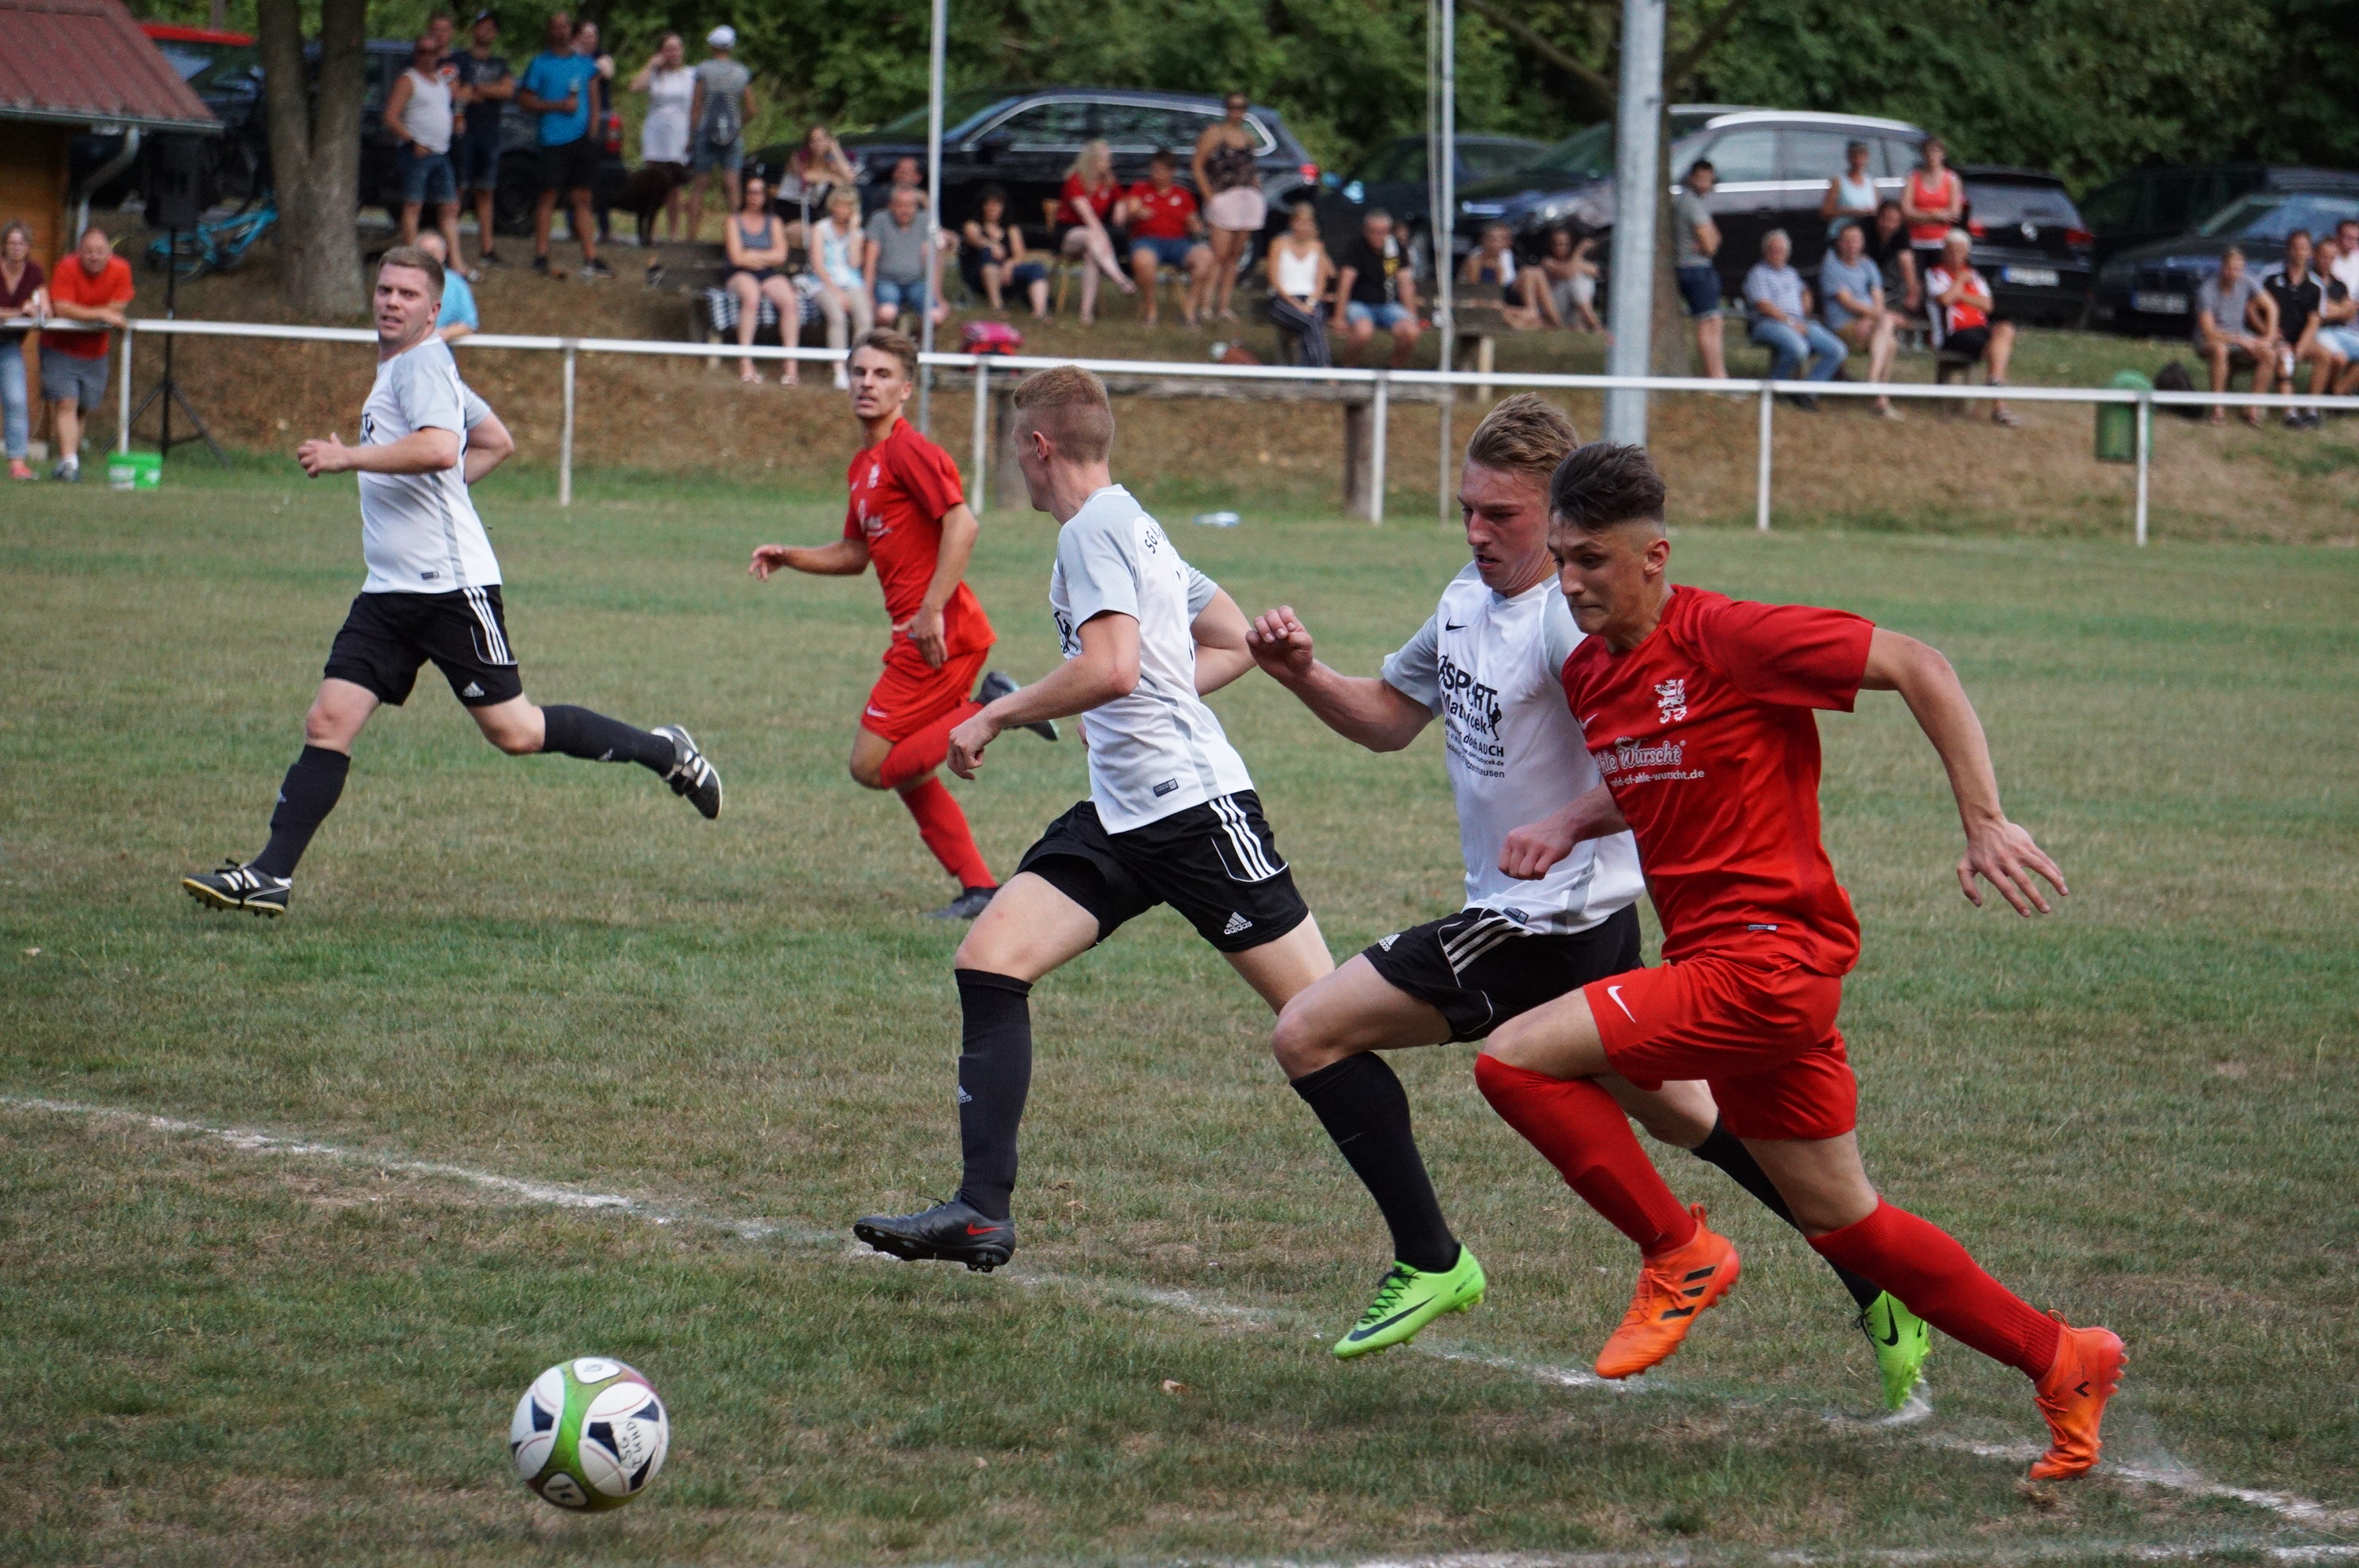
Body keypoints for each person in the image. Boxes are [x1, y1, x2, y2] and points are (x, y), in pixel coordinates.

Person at [1243, 396, 1934, 1408]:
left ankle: (1444, 1257)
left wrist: (1568, 821)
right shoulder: (1463, 602)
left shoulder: (1579, 634)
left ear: (1563, 517)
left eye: (1504, 517)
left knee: (1309, 1031)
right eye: (1469, 511)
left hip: (1545, 921)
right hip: (1554, 919)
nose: (1480, 532)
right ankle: (1876, 1279)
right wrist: (1304, 675)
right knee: (1701, 1124)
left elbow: (1666, 754)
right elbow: (1391, 721)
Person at [1474, 439, 2123, 1480]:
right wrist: (1571, 820)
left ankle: (1680, 1252)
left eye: (1592, 559)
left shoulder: (1730, 637)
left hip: (1764, 964)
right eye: (1561, 557)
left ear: (1655, 557)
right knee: (1847, 1227)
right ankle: (2065, 1359)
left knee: (1514, 1058)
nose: (1571, 581)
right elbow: (1661, 770)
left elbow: (1920, 664)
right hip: (1737, 976)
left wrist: (1986, 821)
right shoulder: (1594, 674)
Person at [849, 365, 1330, 1271]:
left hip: (1190, 811)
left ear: (1037, 446)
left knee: (1325, 1018)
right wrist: (1153, 691)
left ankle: (1429, 1242)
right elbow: (1224, 642)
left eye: (1014, 448)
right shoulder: (1133, 521)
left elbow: (1109, 668)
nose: (1014, 466)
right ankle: (979, 1210)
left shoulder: (1092, 531)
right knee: (990, 958)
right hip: (1120, 810)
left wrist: (995, 710)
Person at [180, 246, 720, 918]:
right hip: (389, 590)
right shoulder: (411, 370)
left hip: (449, 589)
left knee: (516, 732)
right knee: (328, 721)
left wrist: (350, 457)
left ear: (434, 310)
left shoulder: (424, 365)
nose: (391, 302)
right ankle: (271, 876)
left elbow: (441, 447)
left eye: (408, 294)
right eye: (384, 289)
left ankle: (664, 749)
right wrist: (444, 496)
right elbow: (494, 441)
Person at [747, 330, 1051, 919]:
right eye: (859, 372)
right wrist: (792, 556)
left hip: (938, 637)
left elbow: (963, 526)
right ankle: (979, 888)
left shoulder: (911, 451)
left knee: (869, 765)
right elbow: (856, 553)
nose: (867, 383)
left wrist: (931, 608)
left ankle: (994, 707)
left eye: (883, 374)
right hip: (926, 634)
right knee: (908, 768)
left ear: (906, 389)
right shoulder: (865, 464)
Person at [516, 10, 608, 278]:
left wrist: (592, 133)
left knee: (583, 197)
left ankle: (590, 256)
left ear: (571, 30)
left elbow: (594, 99)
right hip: (553, 138)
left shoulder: (585, 64)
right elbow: (525, 100)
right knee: (548, 195)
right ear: (550, 31)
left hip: (582, 140)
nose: (561, 31)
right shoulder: (540, 64)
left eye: (565, 26)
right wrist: (556, 105)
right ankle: (541, 254)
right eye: (556, 27)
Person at [39, 226, 133, 484]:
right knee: (66, 403)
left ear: (108, 252)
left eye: (100, 251)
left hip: (95, 351)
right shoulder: (66, 268)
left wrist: (97, 313)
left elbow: (118, 306)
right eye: (89, 251)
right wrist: (100, 314)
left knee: (81, 409)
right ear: (79, 252)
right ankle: (70, 462)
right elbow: (63, 308)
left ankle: (67, 462)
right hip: (60, 347)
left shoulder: (121, 269)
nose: (94, 256)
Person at [1925, 229, 2021, 426]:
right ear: (1945, 252)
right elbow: (1944, 299)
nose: (1956, 256)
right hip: (1955, 333)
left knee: (2006, 329)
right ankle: (1999, 405)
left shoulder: (1975, 276)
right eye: (1952, 251)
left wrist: (1960, 294)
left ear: (1967, 253)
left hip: (1979, 329)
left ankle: (1994, 385)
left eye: (1960, 252)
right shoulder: (1935, 274)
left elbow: (1988, 305)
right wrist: (1960, 282)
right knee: (1998, 349)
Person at [385, 34, 464, 265]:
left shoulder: (440, 81)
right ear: (416, 54)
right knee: (413, 204)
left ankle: (456, 261)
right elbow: (390, 117)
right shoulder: (408, 80)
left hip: (441, 151)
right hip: (418, 153)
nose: (429, 57)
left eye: (434, 52)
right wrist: (412, 142)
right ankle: (411, 259)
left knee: (449, 206)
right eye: (423, 52)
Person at [1743, 229, 1845, 404]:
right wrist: (1791, 323)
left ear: (1787, 254)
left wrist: (1806, 296)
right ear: (1765, 252)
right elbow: (1763, 305)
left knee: (1837, 350)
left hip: (1798, 322)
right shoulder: (1758, 274)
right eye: (1773, 251)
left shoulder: (1790, 273)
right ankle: (1774, 388)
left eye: (1781, 251)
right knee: (1799, 348)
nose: (1777, 255)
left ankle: (1806, 391)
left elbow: (1803, 289)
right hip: (1767, 323)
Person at [449, 10, 513, 272]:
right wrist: (487, 92)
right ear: (473, 30)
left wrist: (477, 89)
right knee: (459, 189)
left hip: (490, 133)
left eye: (490, 28)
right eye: (481, 26)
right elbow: (457, 93)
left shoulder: (500, 63)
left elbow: (508, 90)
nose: (485, 31)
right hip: (465, 132)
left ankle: (487, 248)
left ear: (495, 33)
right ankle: (448, 247)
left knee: (486, 190)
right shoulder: (458, 59)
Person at [1192, 92, 1263, 323]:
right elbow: (1198, 165)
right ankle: (1205, 304)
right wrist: (1210, 197)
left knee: (1235, 255)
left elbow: (1250, 168)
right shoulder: (1215, 134)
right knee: (1219, 254)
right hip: (1223, 196)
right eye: (1233, 107)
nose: (1237, 111)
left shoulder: (1248, 137)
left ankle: (1223, 306)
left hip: (1247, 197)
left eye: (1241, 107)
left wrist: (1256, 189)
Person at [1121, 151, 1213, 328]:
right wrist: (1138, 212)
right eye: (1154, 170)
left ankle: (1189, 309)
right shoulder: (1140, 188)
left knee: (1206, 257)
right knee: (1143, 260)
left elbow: (1193, 220)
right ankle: (1150, 308)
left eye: (1161, 171)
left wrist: (1195, 225)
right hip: (1147, 240)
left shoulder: (1183, 195)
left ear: (1172, 172)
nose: (1156, 174)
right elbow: (1131, 210)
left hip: (1178, 243)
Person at [1819, 220, 1901, 419]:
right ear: (1839, 243)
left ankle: (1875, 388)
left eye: (1856, 240)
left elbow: (1878, 298)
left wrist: (1873, 319)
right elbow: (1847, 302)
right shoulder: (1832, 266)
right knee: (1889, 335)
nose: (1852, 245)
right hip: (1842, 325)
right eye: (1847, 241)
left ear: (1862, 243)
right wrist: (1875, 317)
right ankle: (1879, 394)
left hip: (1869, 325)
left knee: (1889, 340)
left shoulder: (1868, 265)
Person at [723, 176, 800, 385]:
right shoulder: (733, 220)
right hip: (738, 272)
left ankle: (790, 366)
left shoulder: (773, 221)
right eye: (750, 191)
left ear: (765, 195)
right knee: (751, 297)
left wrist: (752, 255)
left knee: (789, 300)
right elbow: (737, 257)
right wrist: (762, 257)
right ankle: (745, 361)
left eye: (759, 192)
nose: (754, 196)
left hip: (767, 273)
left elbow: (781, 256)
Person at [2193, 246, 2278, 427]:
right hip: (2210, 339)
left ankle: (2253, 407)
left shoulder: (2247, 281)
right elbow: (2209, 332)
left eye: (2238, 269)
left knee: (2269, 353)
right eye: (2230, 268)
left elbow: (2271, 307)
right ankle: (2217, 408)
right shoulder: (2206, 291)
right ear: (2222, 267)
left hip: (2239, 335)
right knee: (2220, 350)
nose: (2234, 273)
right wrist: (2240, 341)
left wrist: (2269, 337)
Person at [685, 27, 754, 242]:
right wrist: (736, 125)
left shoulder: (703, 70)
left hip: (706, 131)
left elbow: (696, 105)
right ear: (731, 46)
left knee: (699, 187)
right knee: (733, 186)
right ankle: (739, 238)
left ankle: (691, 236)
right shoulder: (742, 72)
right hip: (732, 135)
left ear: (712, 46)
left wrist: (691, 135)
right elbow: (752, 109)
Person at [1056, 140, 1135, 326]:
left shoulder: (1108, 182)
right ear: (1094, 161)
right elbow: (1089, 218)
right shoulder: (1075, 180)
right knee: (1092, 237)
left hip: (1093, 238)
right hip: (1068, 233)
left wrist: (1121, 207)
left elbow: (1122, 198)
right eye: (1106, 159)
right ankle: (1119, 277)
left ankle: (1086, 313)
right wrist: (1104, 239)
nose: (1110, 163)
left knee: (1092, 254)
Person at [1333, 208, 1421, 368]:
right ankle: (1347, 369)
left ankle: (1393, 371)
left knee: (1411, 332)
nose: (1379, 236)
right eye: (1374, 232)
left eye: (1383, 232)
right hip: (1359, 304)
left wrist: (1412, 316)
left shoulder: (1396, 250)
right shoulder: (1356, 248)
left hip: (1387, 305)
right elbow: (1345, 283)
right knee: (1363, 332)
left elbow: (1405, 285)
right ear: (1366, 231)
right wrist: (1339, 317)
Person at [629, 34, 694, 248]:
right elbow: (634, 87)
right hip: (656, 132)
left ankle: (674, 232)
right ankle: (651, 230)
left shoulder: (690, 75)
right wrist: (650, 66)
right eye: (669, 49)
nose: (674, 53)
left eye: (677, 48)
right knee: (653, 183)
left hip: (679, 133)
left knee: (674, 186)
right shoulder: (655, 75)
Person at [2261, 230, 2330, 428]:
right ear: (2288, 250)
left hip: (2299, 338)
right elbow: (2253, 308)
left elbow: (2314, 320)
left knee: (2324, 355)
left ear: (2310, 253)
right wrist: (2268, 332)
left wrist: (2302, 346)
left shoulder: (2316, 285)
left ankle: (2311, 410)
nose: (2298, 253)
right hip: (2274, 336)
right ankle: (2289, 413)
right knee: (2285, 356)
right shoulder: (2270, 275)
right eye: (2295, 248)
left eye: (2303, 248)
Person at [807, 187, 874, 383]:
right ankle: (838, 369)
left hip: (851, 282)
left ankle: (857, 366)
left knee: (865, 319)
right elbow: (817, 265)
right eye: (840, 205)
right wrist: (836, 292)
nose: (843, 210)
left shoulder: (858, 233)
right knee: (837, 316)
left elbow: (854, 263)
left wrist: (854, 231)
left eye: (848, 206)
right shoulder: (820, 229)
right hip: (823, 282)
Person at [1673, 161, 1727, 379]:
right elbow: (1711, 244)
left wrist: (1709, 239)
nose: (1705, 183)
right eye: (1701, 178)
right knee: (1708, 323)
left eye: (1709, 179)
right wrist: (1708, 241)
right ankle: (1716, 379)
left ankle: (1719, 376)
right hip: (1694, 269)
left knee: (1715, 322)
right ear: (1691, 178)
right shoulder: (1691, 203)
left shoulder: (1698, 202)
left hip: (1701, 266)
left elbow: (1716, 238)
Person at [0, 219, 45, 481]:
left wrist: (37, 308)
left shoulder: (35, 273)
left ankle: (17, 463)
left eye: (22, 243)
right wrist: (18, 312)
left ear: (28, 247)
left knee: (16, 401)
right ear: (4, 245)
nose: (17, 248)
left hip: (9, 346)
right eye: (11, 242)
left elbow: (45, 305)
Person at [1264, 198, 1332, 366]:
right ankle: (1324, 370)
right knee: (1312, 323)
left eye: (1307, 223)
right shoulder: (1278, 244)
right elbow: (1274, 280)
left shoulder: (1317, 247)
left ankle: (1308, 376)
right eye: (1300, 222)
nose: (1303, 227)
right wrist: (1297, 305)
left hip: (1309, 300)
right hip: (1283, 300)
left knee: (1311, 322)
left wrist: (1310, 303)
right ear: (1292, 223)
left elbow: (1321, 282)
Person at [961, 186, 1049, 318]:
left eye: (996, 205)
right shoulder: (973, 225)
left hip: (1007, 273)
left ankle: (1039, 311)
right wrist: (992, 245)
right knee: (988, 253)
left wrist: (1009, 265)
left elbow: (1020, 255)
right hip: (980, 274)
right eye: (988, 205)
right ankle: (997, 306)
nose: (992, 208)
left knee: (1036, 268)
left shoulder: (1011, 229)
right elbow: (974, 239)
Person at [864, 183, 941, 329]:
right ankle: (885, 346)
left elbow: (930, 262)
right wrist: (868, 295)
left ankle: (917, 345)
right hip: (886, 281)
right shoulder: (879, 220)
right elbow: (870, 261)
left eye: (910, 206)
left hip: (915, 282)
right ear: (891, 206)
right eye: (901, 206)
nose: (905, 210)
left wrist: (938, 296)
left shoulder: (925, 220)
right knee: (887, 313)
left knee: (935, 316)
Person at [780, 123, 858, 249]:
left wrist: (835, 149)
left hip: (814, 216)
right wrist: (831, 178)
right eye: (813, 141)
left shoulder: (831, 165)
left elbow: (850, 180)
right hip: (792, 211)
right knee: (817, 236)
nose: (818, 144)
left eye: (821, 140)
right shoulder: (798, 160)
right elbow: (806, 176)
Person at [1460, 220, 1542, 331]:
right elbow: (1473, 290)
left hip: (1492, 301)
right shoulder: (1475, 261)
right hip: (1474, 301)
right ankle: (1519, 326)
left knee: (1515, 312)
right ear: (1483, 241)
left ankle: (1526, 323)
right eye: (1492, 240)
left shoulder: (1499, 264)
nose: (1496, 244)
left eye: (1499, 240)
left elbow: (1498, 291)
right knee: (1504, 311)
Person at [1902, 138, 1965, 278]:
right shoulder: (1913, 178)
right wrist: (1935, 216)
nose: (1932, 155)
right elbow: (1906, 212)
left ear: (1943, 154)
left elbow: (1954, 213)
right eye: (1928, 151)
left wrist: (1919, 214)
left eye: (1936, 151)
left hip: (1942, 243)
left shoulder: (1951, 179)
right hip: (1916, 242)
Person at [1523, 227, 1601, 332]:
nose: (1562, 248)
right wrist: (1579, 251)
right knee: (1575, 281)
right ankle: (1595, 324)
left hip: (1574, 308)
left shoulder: (1576, 262)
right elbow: (1566, 272)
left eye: (1566, 244)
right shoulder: (1548, 262)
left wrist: (1577, 262)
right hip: (1556, 309)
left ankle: (1584, 322)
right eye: (1558, 244)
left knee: (1581, 280)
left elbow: (1595, 271)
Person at [414, 232, 478, 342]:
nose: (429, 257)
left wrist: (441, 334)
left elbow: (469, 324)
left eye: (433, 253)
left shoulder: (457, 284)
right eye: (424, 252)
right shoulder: (401, 280)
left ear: (443, 254)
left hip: (439, 352)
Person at [1865, 198, 1922, 316]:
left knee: (1906, 258)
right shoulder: (1865, 228)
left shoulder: (1902, 232)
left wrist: (1912, 291)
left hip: (1889, 265)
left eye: (1893, 221)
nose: (1888, 225)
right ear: (1878, 218)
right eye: (1885, 220)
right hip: (1865, 265)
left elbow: (1906, 257)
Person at [1820, 140, 1879, 239]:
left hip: (1864, 235)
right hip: (1841, 235)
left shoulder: (1870, 182)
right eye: (1854, 156)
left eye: (1862, 156)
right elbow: (1825, 213)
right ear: (1848, 157)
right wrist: (1850, 211)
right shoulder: (1838, 181)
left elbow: (1878, 210)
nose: (1858, 160)